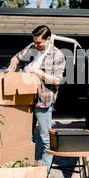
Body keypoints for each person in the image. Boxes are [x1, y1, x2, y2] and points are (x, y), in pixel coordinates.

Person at [8, 25, 66, 169]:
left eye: (39, 42)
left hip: (43, 100)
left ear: (48, 39)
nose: (36, 45)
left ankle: (43, 174)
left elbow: (57, 80)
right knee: (26, 135)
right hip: (25, 98)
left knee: (46, 139)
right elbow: (16, 58)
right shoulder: (32, 47)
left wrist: (38, 72)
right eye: (34, 42)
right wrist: (11, 68)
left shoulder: (57, 55)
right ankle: (26, 166)